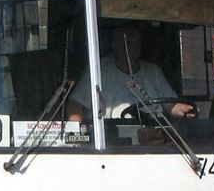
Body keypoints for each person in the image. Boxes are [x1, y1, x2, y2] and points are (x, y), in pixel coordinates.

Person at [67, 23, 195, 122]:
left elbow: (171, 105)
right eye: (126, 41)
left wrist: (185, 109)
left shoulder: (153, 72)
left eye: (135, 41)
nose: (131, 46)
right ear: (114, 44)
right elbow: (75, 103)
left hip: (153, 139)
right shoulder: (97, 70)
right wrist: (76, 130)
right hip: (110, 142)